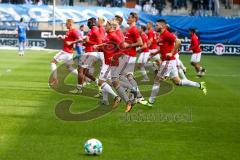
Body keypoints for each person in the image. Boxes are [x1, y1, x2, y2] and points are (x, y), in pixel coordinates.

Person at [148, 19, 207, 104]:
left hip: (168, 61)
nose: (155, 26)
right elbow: (162, 48)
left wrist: (171, 53)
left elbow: (178, 41)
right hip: (169, 61)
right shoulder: (160, 35)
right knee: (178, 82)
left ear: (162, 26)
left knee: (157, 79)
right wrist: (153, 54)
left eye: (157, 25)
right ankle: (200, 85)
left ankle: (150, 101)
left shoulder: (167, 34)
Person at [121, 12, 152, 106]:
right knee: (128, 77)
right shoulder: (129, 29)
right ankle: (137, 96)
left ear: (134, 19)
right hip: (128, 55)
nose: (128, 19)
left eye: (129, 17)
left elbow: (140, 43)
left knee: (123, 76)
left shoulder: (134, 29)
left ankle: (136, 95)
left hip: (130, 56)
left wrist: (128, 45)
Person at [49, 19, 81, 85]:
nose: (65, 25)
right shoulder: (69, 31)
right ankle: (83, 77)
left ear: (70, 24)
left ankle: (55, 79)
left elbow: (80, 40)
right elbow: (67, 39)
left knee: (53, 62)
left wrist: (71, 42)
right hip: (69, 53)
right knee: (69, 67)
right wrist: (62, 38)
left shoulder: (73, 31)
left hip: (65, 52)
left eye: (66, 23)